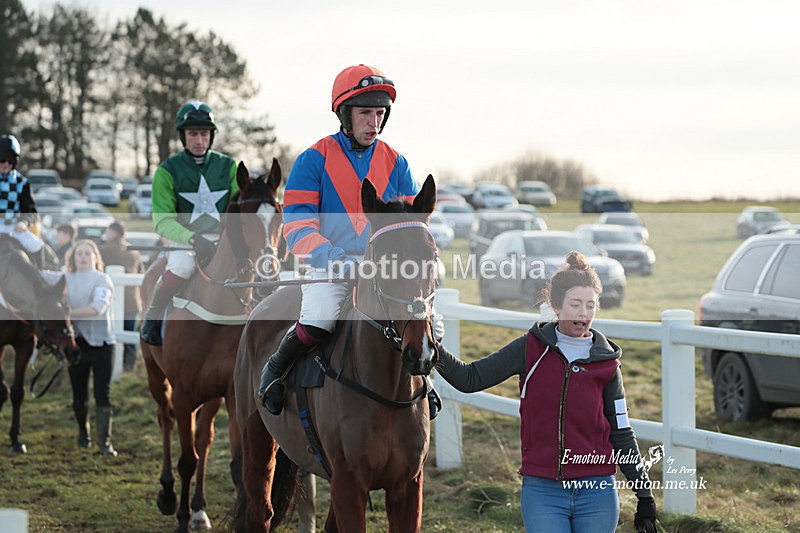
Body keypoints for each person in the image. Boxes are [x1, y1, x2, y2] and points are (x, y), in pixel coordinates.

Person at [257, 64, 442, 418]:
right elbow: (296, 225)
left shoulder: (396, 162)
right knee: (320, 316)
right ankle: (274, 372)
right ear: (345, 114)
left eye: (379, 114)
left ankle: (426, 385)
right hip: (330, 267)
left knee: (430, 321)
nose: (373, 122)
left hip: (385, 271)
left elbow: (411, 225)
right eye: (365, 113)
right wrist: (335, 258)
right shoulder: (313, 159)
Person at [433, 252, 658, 533]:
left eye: (591, 305)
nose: (584, 313)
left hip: (596, 491)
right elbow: (470, 378)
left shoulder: (607, 363)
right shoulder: (529, 349)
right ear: (556, 305)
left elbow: (621, 431)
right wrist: (430, 347)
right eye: (575, 305)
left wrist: (644, 495)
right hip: (543, 491)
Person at [139, 100, 238, 345]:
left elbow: (240, 210)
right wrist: (192, 239)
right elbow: (162, 221)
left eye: (204, 134)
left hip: (223, 238)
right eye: (193, 134)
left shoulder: (229, 166)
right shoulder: (167, 170)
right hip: (185, 239)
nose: (199, 140)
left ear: (211, 136)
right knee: (182, 266)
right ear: (183, 136)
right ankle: (152, 318)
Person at [43, 240, 118, 456]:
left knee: (103, 392)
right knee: (78, 393)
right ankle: (83, 433)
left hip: (103, 344)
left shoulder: (103, 280)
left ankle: (105, 442)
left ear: (95, 257)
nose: (83, 257)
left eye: (87, 253)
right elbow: (42, 275)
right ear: (73, 259)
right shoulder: (66, 278)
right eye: (79, 254)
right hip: (76, 345)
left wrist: (66, 316)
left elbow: (98, 308)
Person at [99, 220, 144, 370]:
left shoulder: (105, 249)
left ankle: (113, 365)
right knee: (130, 336)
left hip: (113, 300)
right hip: (133, 299)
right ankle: (130, 367)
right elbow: (141, 272)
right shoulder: (134, 250)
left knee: (111, 334)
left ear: (113, 232)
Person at [0, 134, 46, 265]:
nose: (6, 165)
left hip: (13, 228)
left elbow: (30, 210)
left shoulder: (23, 183)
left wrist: (24, 222)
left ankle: (40, 277)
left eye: (10, 161)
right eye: (2, 160)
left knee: (38, 246)